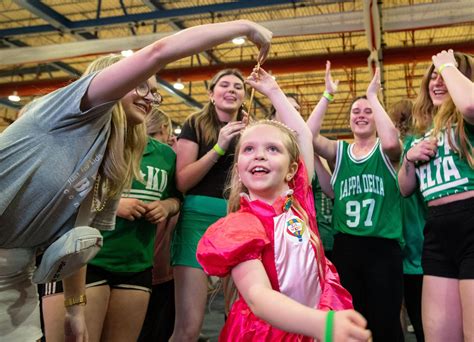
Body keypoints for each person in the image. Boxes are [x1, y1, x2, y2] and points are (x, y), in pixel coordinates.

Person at [0, 19, 272, 342]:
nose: (149, 98)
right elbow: (160, 51)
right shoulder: (69, 110)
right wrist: (245, 27)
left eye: (155, 94)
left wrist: (75, 310)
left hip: (17, 279)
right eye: (142, 86)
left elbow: (75, 240)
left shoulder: (108, 163)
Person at [196, 67, 371, 341]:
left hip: (312, 323)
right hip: (271, 333)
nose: (260, 156)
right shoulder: (241, 226)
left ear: (292, 170)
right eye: (249, 149)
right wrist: (320, 324)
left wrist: (274, 91)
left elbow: (302, 135)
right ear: (239, 167)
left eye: (272, 149)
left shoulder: (299, 202)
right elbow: (258, 297)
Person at [40, 101, 181, 341]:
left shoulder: (165, 155)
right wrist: (114, 206)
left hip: (136, 263)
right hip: (88, 261)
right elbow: (59, 198)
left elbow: (176, 196)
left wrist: (166, 207)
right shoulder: (91, 144)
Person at [309, 61, 404, 341]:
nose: (361, 115)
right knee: (352, 323)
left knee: (385, 323)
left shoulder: (385, 152)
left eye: (368, 111)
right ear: (349, 119)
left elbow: (391, 143)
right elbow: (306, 135)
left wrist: (373, 95)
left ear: (377, 117)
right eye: (356, 111)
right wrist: (327, 95)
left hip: (383, 248)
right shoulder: (339, 151)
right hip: (346, 247)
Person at [398, 49, 474, 341]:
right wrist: (409, 158)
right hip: (438, 231)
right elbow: (404, 188)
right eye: (432, 77)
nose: (437, 81)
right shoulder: (420, 134)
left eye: (444, 75)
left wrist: (446, 64)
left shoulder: (468, 119)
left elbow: (468, 104)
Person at [169, 68, 249, 341]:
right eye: (224, 85)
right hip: (196, 221)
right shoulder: (195, 123)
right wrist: (219, 146)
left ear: (244, 95)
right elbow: (182, 181)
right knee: (189, 327)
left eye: (238, 86)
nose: (231, 90)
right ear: (211, 94)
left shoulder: (251, 129)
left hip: (235, 222)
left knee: (237, 319)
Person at [139, 108, 180, 342]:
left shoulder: (167, 156)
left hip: (135, 260)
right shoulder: (168, 159)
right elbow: (179, 196)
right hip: (159, 263)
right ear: (165, 129)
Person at [391, 99, 425, 342]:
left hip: (411, 248)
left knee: (401, 313)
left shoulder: (411, 151)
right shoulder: (408, 152)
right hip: (411, 247)